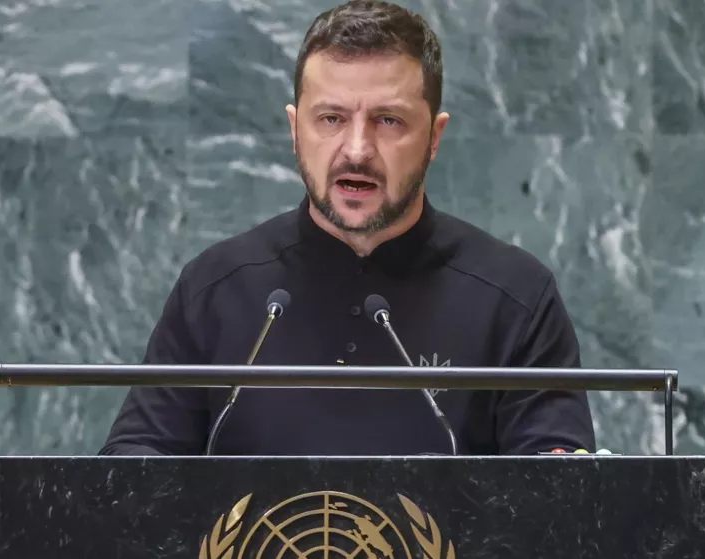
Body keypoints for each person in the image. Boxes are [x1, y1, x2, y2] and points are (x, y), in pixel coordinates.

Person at [99, 0, 595, 456]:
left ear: (435, 136)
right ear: (295, 131)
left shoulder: (517, 299)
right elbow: (133, 477)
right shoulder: (213, 289)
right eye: (331, 118)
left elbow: (556, 506)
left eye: (388, 121)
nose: (357, 149)